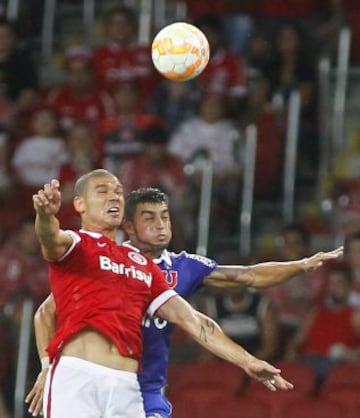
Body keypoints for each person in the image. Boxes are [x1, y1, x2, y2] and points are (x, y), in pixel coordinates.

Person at [26, 186, 342, 418]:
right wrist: (47, 366)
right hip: (92, 376)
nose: (161, 225)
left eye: (165, 217)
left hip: (145, 389)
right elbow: (45, 313)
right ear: (129, 227)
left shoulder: (183, 266)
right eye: (149, 218)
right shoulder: (107, 261)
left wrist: (299, 265)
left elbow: (247, 277)